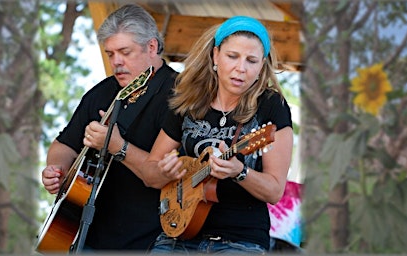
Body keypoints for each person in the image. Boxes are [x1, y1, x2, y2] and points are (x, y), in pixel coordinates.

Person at [144, 16, 294, 254]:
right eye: (232, 56)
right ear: (215, 56)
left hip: (241, 240)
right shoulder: (188, 103)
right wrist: (163, 172)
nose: (241, 68)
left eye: (251, 60)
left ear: (261, 66)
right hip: (177, 236)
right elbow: (150, 175)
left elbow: (274, 191)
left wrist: (240, 172)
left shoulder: (271, 106)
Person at [40, 3, 178, 251]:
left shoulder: (178, 96)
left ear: (152, 47)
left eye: (124, 52)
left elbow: (171, 173)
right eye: (110, 54)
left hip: (151, 241)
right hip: (87, 236)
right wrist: (57, 170)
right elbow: (63, 144)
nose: (116, 62)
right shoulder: (102, 92)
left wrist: (117, 145)